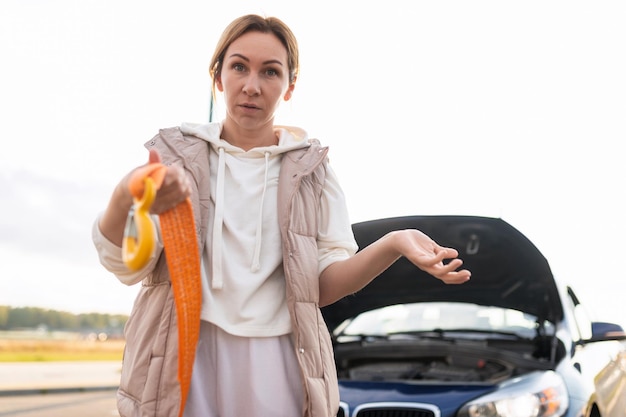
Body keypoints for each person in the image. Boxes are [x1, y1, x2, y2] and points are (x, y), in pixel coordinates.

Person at [92, 14, 471, 417]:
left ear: (290, 86)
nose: (252, 86)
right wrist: (124, 194)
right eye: (239, 66)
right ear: (218, 76)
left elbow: (321, 289)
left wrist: (393, 242)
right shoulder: (173, 161)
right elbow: (127, 265)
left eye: (270, 72)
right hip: (183, 359)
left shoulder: (314, 173)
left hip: (280, 362)